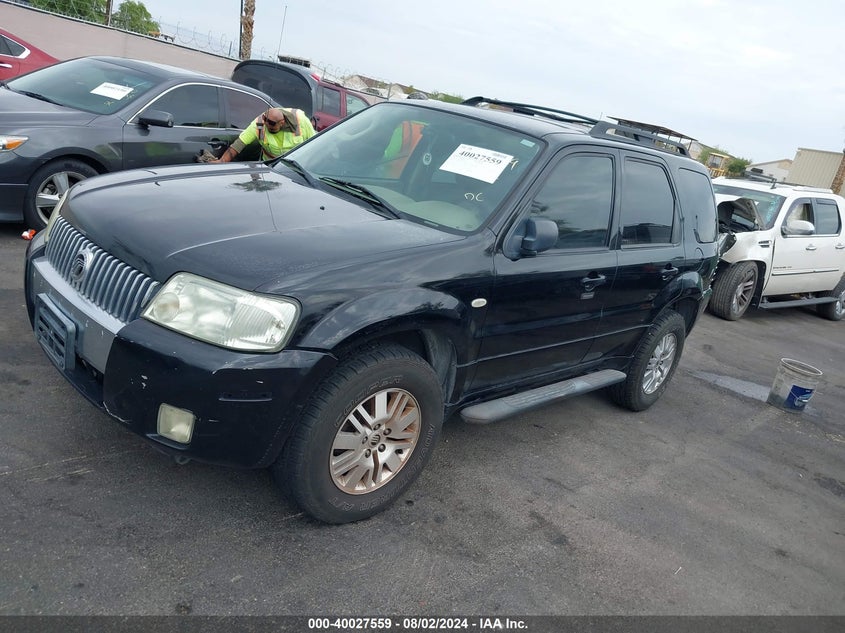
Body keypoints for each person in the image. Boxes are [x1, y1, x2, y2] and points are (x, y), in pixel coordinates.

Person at [206, 107, 316, 163]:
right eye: (266, 125)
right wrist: (222, 161)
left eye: (272, 127)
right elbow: (239, 144)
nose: (268, 128)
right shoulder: (259, 123)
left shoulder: (300, 120)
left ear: (282, 122)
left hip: (295, 167)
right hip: (269, 166)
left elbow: (315, 145)